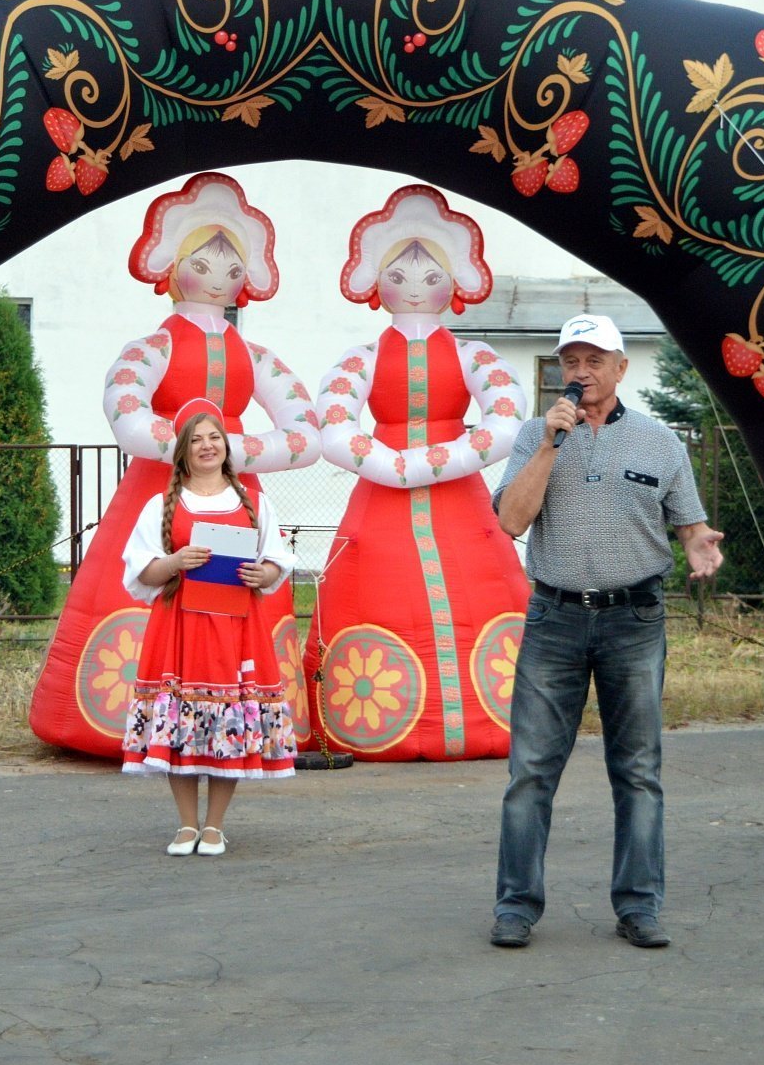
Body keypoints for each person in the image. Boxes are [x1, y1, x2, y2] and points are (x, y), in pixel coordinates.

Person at [29, 172, 319, 759]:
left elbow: (307, 432)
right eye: (203, 263)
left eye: (232, 267)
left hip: (231, 496)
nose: (219, 278)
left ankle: (235, 722)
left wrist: (218, 448)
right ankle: (142, 722)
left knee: (233, 595)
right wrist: (214, 445)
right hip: (160, 494)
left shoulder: (253, 354)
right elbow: (127, 410)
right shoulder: (152, 347)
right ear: (172, 266)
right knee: (162, 584)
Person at [489, 313, 724, 950]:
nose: (581, 373)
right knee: (531, 772)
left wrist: (700, 544)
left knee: (639, 771)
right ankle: (515, 907)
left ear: (622, 369)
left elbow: (690, 527)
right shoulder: (536, 434)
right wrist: (547, 447)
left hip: (634, 622)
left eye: (595, 361)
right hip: (554, 619)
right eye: (571, 361)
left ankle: (639, 906)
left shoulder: (659, 444)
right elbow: (511, 521)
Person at [302, 184, 530, 762]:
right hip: (384, 498)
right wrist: (392, 464)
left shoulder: (475, 354)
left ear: (455, 284)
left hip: (455, 497)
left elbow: (506, 416)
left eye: (432, 277)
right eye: (399, 277)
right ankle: (379, 724)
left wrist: (423, 462)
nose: (415, 287)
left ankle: (492, 719)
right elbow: (331, 423)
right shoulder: (362, 357)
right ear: (376, 286)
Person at [120, 397, 300, 856]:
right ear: (183, 452)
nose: (207, 446)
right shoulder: (160, 505)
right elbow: (140, 573)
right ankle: (185, 825)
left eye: (214, 437)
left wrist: (266, 575)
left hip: (238, 627)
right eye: (196, 440)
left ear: (226, 446)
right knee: (181, 721)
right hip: (180, 625)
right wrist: (175, 562)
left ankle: (215, 826)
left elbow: (276, 561)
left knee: (229, 722)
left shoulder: (256, 503)